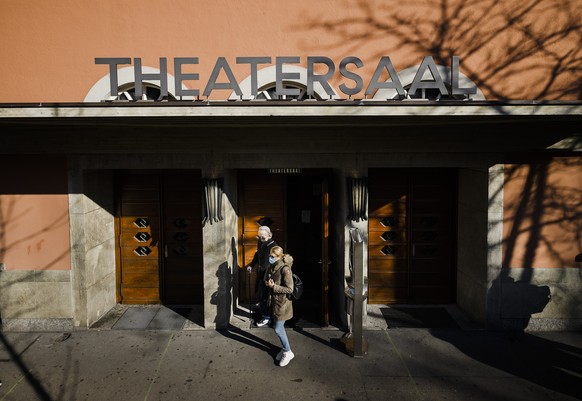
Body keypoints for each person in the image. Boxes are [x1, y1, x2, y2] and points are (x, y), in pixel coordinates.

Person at [265, 245, 295, 367]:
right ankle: (285, 348)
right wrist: (268, 282)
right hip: (275, 302)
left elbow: (290, 289)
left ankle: (288, 352)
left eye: (272, 257)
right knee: (277, 327)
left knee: (278, 328)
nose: (270, 258)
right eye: (269, 256)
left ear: (279, 257)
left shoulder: (285, 269)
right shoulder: (272, 266)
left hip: (282, 304)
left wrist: (274, 287)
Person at [246, 225, 277, 327]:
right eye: (259, 236)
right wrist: (251, 265)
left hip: (268, 276)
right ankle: (265, 314)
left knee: (266, 297)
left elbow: (276, 262)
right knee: (262, 295)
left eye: (263, 237)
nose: (260, 239)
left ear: (269, 235)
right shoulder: (261, 243)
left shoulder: (273, 246)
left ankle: (267, 317)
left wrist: (270, 276)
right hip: (261, 274)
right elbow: (257, 255)